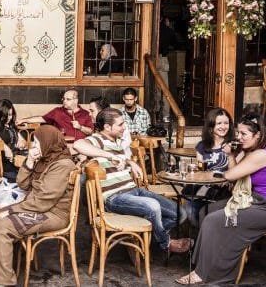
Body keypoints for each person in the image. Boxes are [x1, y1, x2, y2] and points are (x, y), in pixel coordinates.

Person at [177, 113, 266, 285]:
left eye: (244, 134)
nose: (239, 137)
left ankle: (204, 273)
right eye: (238, 133)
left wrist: (230, 155)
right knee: (207, 210)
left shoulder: (261, 155)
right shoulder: (251, 151)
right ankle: (201, 262)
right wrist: (233, 155)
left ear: (258, 135)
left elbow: (231, 175)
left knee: (214, 220)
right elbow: (236, 177)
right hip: (254, 200)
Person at [71, 108, 191, 254]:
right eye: (120, 125)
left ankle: (147, 237)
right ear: (107, 127)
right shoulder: (98, 139)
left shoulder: (116, 140)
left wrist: (129, 162)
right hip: (114, 198)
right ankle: (165, 243)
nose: (124, 128)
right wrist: (110, 156)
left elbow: (120, 158)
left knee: (181, 214)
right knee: (152, 206)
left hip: (134, 191)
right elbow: (78, 145)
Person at [0, 125, 77, 287]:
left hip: (52, 214)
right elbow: (22, 184)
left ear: (48, 143)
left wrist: (11, 210)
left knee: (3, 226)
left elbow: (43, 201)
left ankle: (3, 282)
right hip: (35, 207)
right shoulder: (44, 159)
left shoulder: (63, 164)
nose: (34, 147)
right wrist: (30, 161)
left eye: (37, 143)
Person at [186, 108, 236, 226]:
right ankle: (200, 237)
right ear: (210, 125)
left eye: (226, 123)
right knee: (189, 210)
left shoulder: (234, 145)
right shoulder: (202, 146)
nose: (223, 127)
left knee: (208, 214)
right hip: (205, 187)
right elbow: (201, 170)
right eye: (219, 123)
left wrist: (226, 179)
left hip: (225, 190)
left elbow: (236, 170)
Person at [157, 17, 178, 121]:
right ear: (167, 21)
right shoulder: (168, 30)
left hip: (151, 59)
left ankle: (155, 113)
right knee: (165, 88)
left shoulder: (155, 28)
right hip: (162, 59)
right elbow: (176, 43)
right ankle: (165, 115)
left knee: (154, 89)